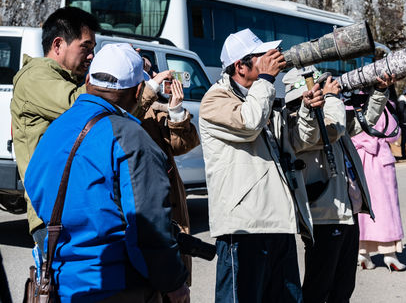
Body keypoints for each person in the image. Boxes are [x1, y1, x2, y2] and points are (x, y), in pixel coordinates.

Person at [24, 43, 189, 303]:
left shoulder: (55, 129)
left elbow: (34, 187)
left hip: (63, 282)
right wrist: (174, 282)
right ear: (137, 91)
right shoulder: (130, 136)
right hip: (118, 284)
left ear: (88, 79)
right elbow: (149, 225)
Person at [198, 29, 323, 303]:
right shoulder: (215, 99)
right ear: (240, 66)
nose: (270, 59)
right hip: (244, 227)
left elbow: (301, 141)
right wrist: (266, 80)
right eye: (261, 56)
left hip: (278, 221)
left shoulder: (263, 98)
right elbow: (249, 123)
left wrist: (307, 110)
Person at [283, 67, 375, 302]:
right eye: (321, 85)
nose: (326, 88)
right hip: (324, 215)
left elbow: (366, 122)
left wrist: (380, 91)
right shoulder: (296, 122)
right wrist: (332, 99)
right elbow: (322, 133)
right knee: (319, 287)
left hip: (346, 212)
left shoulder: (329, 116)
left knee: (343, 287)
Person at [11, 6, 99, 246]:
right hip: (51, 213)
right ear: (58, 44)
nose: (91, 56)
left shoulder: (67, 79)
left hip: (71, 208)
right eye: (86, 47)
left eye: (94, 49)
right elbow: (80, 108)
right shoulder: (35, 77)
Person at [140, 69, 201, 287]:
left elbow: (182, 145)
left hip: (171, 204)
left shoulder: (155, 108)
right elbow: (126, 116)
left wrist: (175, 110)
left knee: (176, 285)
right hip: (146, 211)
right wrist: (151, 89)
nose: (152, 78)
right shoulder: (127, 109)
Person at [351, 85, 405, 271]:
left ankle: (362, 252)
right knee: (386, 207)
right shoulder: (385, 104)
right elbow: (394, 135)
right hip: (380, 160)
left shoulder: (350, 103)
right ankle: (389, 253)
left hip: (358, 159)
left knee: (361, 205)